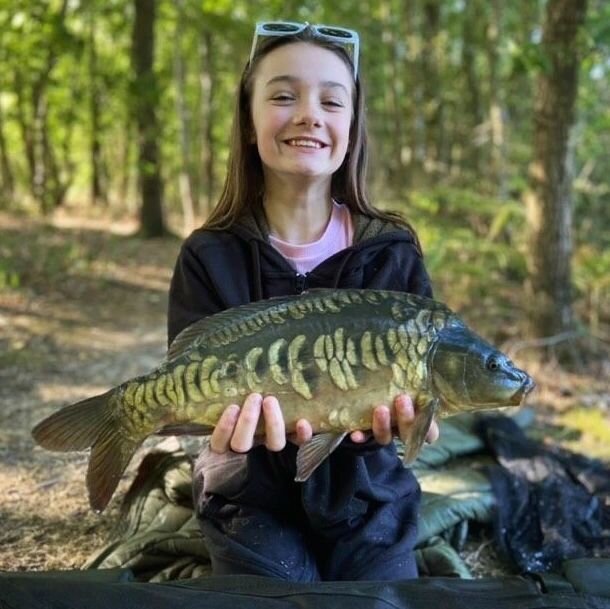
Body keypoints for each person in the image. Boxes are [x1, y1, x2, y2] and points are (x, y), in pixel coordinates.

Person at [167, 21, 439, 582]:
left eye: (331, 101)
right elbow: (185, 373)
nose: (309, 114)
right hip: (247, 494)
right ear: (248, 122)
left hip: (368, 494)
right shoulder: (207, 255)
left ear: (351, 127)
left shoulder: (391, 250)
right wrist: (210, 427)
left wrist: (419, 422)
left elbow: (422, 410)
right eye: (284, 96)